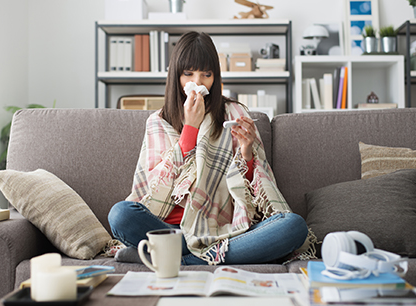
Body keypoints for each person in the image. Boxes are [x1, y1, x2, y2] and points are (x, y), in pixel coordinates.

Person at [108, 31, 316, 265]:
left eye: (206, 74)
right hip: (169, 228)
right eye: (189, 74)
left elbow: (254, 198)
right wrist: (190, 128)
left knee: (293, 226)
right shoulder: (158, 122)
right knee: (120, 214)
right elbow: (155, 189)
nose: (197, 83)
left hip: (224, 230)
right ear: (175, 75)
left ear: (215, 77)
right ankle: (194, 254)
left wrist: (247, 154)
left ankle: (174, 258)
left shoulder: (235, 113)